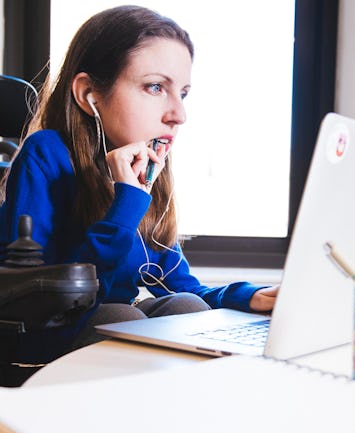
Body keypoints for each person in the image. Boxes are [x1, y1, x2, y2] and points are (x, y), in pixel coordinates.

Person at [0, 5, 278, 365]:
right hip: (45, 331)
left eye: (184, 93)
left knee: (187, 308)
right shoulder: (47, 154)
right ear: (89, 95)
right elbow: (52, 298)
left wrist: (250, 296)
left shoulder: (146, 169)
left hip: (101, 331)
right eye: (155, 87)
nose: (178, 114)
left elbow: (181, 286)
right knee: (122, 317)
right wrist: (126, 204)